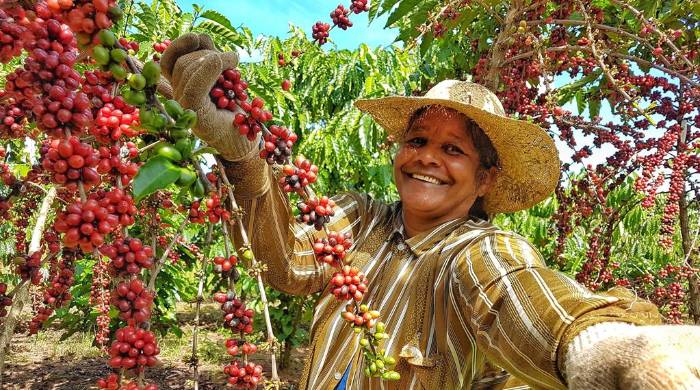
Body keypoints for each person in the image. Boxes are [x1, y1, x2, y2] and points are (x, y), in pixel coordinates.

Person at [160, 33, 700, 389]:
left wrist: (608, 349)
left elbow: (520, 298)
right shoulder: (356, 218)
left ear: (485, 179)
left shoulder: (481, 251)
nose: (427, 158)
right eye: (417, 140)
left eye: (454, 150)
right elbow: (288, 263)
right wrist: (244, 157)